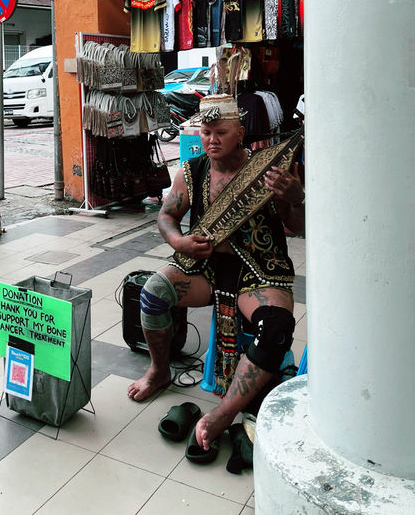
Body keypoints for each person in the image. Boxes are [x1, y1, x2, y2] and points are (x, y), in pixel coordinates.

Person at [128, 94, 305, 457]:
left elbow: (296, 227)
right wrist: (180, 242)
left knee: (275, 329)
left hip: (260, 269)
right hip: (204, 269)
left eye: (220, 132)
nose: (211, 140)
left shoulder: (269, 169)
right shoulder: (192, 171)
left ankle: (222, 416)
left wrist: (297, 197)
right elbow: (166, 217)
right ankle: (160, 371)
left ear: (240, 132)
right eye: (206, 132)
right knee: (153, 292)